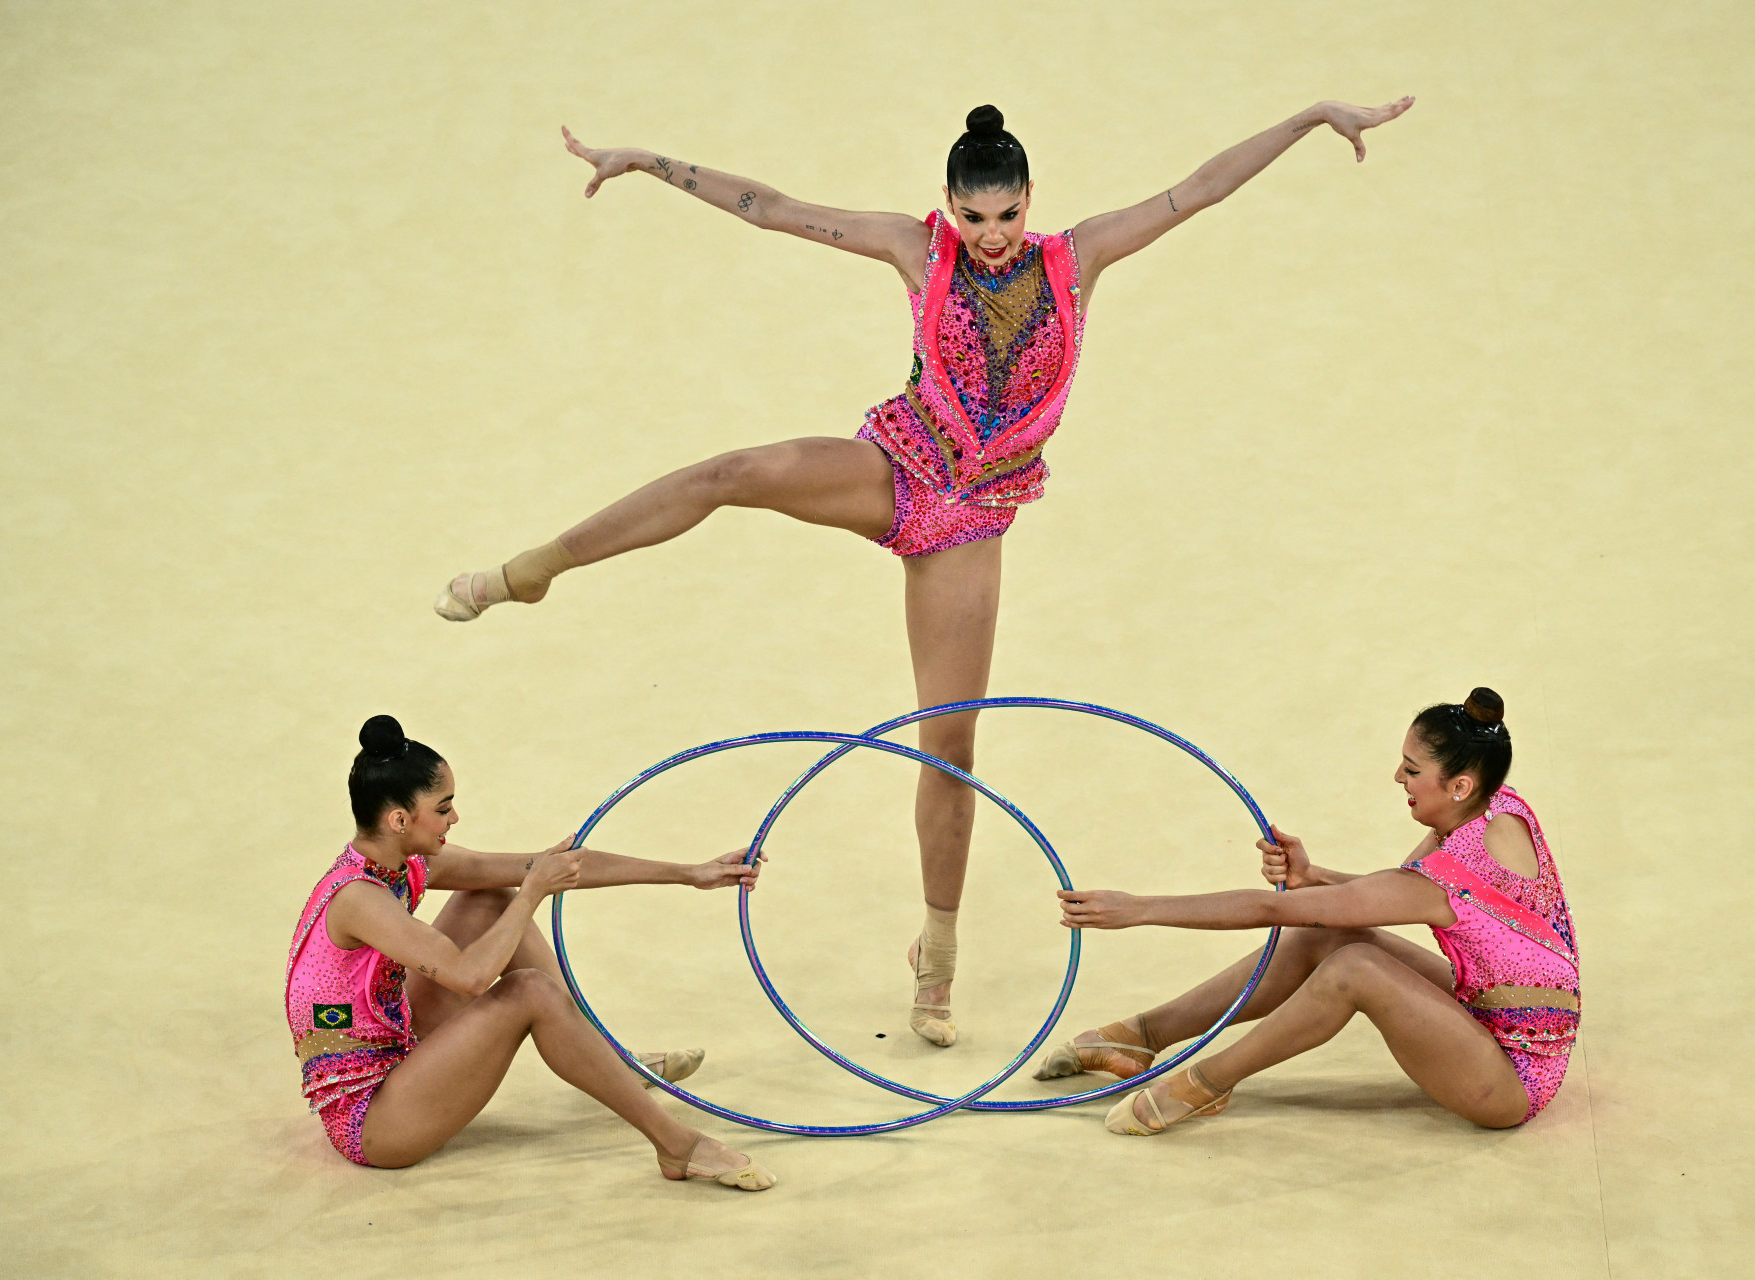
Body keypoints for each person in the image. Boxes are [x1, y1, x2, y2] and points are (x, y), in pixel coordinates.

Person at [434, 98, 1416, 1047]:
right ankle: (534, 569)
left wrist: (1310, 119)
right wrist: (650, 163)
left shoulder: (1080, 260)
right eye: (973, 216)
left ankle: (936, 948)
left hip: (971, 523)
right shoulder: (918, 250)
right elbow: (773, 208)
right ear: (949, 206)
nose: (990, 235)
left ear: (1030, 199)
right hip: (895, 469)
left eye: (1007, 214)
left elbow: (1198, 188)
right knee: (732, 472)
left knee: (949, 749)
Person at [1048, 688, 1579, 1134]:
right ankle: (1141, 1037)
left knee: (1354, 969)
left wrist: (1139, 908)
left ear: (1460, 785)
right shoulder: (1499, 807)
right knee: (1321, 939)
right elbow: (1383, 892)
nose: (1398, 776)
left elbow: (1271, 907)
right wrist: (1314, 876)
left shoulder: (1442, 878)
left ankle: (1207, 1084)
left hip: (1514, 1077)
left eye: (1412, 770)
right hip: (1489, 1007)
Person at [285, 714, 776, 1188]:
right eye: (442, 808)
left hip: (394, 1036)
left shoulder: (399, 860)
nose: (454, 818)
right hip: (371, 1120)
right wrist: (533, 892)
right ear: (398, 819)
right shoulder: (359, 900)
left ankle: (611, 1061)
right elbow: (471, 977)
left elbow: (547, 866)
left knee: (493, 896)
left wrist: (691, 873)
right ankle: (677, 1146)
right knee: (530, 991)